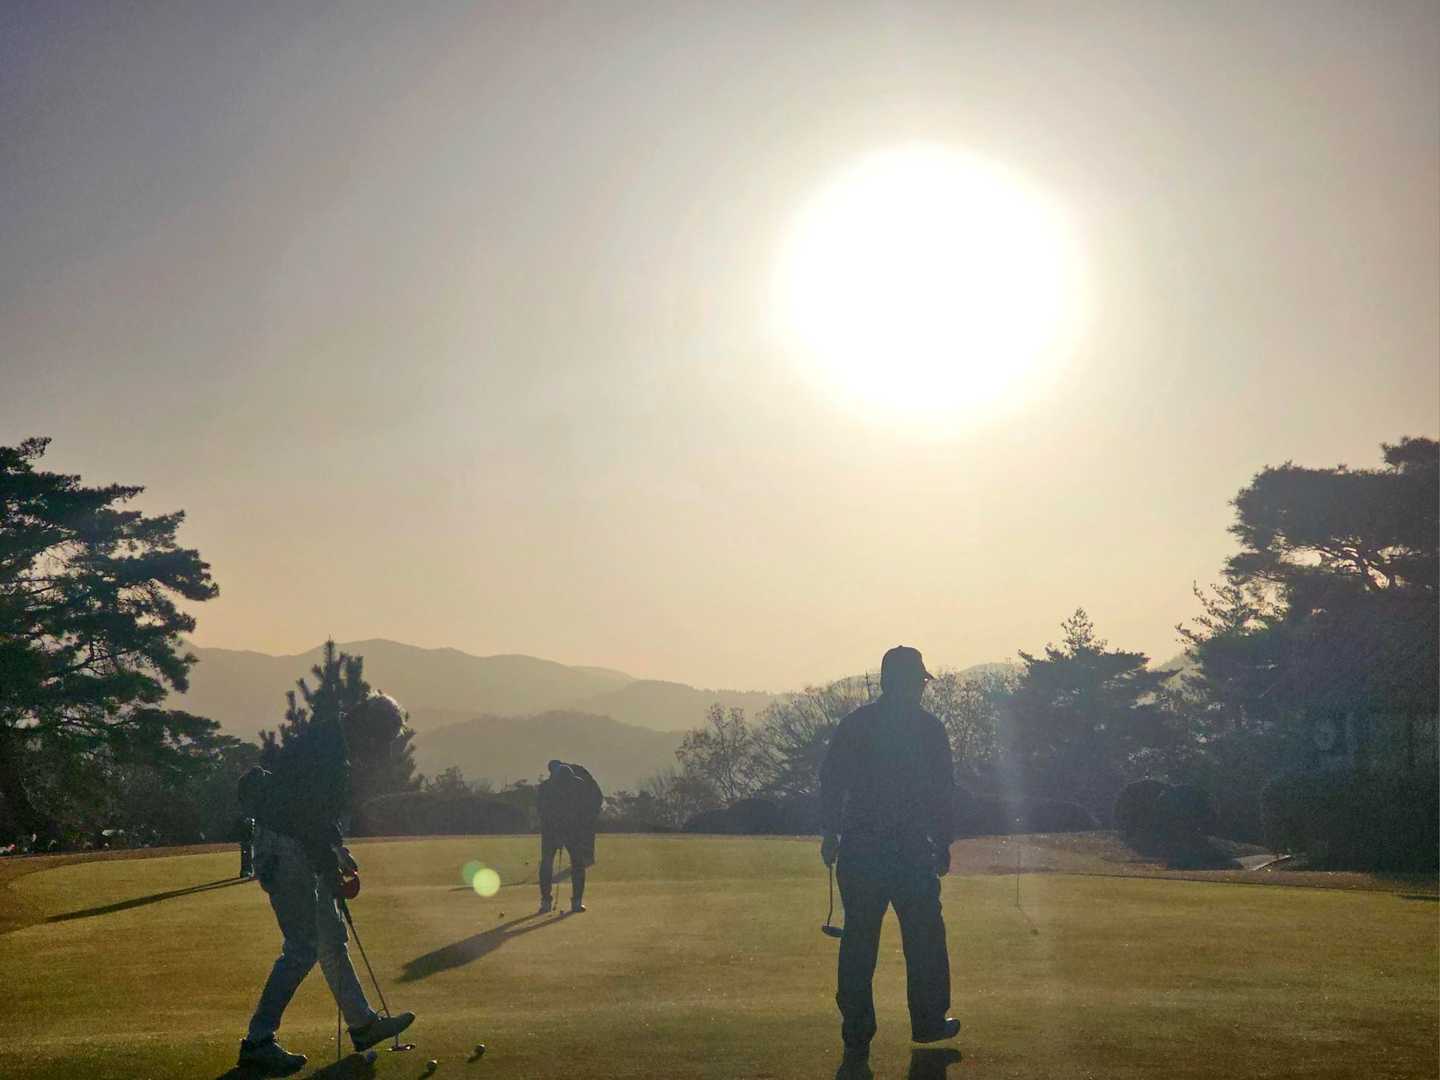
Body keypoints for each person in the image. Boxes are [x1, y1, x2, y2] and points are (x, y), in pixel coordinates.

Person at [233, 695, 416, 1077]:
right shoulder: (327, 750)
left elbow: (319, 815)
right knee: (302, 948)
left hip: (294, 844)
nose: (376, 751)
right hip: (285, 848)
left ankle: (362, 1025)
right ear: (367, 729)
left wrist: (336, 852)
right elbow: (306, 819)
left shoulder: (332, 741)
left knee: (331, 939)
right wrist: (329, 868)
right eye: (379, 740)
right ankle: (258, 1042)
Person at [820, 646, 960, 1062]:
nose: (922, 687)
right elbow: (942, 792)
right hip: (910, 850)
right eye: (919, 680)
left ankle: (857, 1031)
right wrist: (943, 841)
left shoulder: (857, 724)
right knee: (924, 937)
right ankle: (929, 1021)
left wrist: (830, 833)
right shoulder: (929, 729)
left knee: (859, 941)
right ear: (909, 682)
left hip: (862, 848)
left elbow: (831, 782)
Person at [536, 759, 604, 914]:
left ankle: (547, 902)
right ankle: (575, 902)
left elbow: (541, 811)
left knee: (549, 864)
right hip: (567, 831)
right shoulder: (578, 785)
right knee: (575, 865)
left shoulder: (546, 787)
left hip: (555, 831)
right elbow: (584, 810)